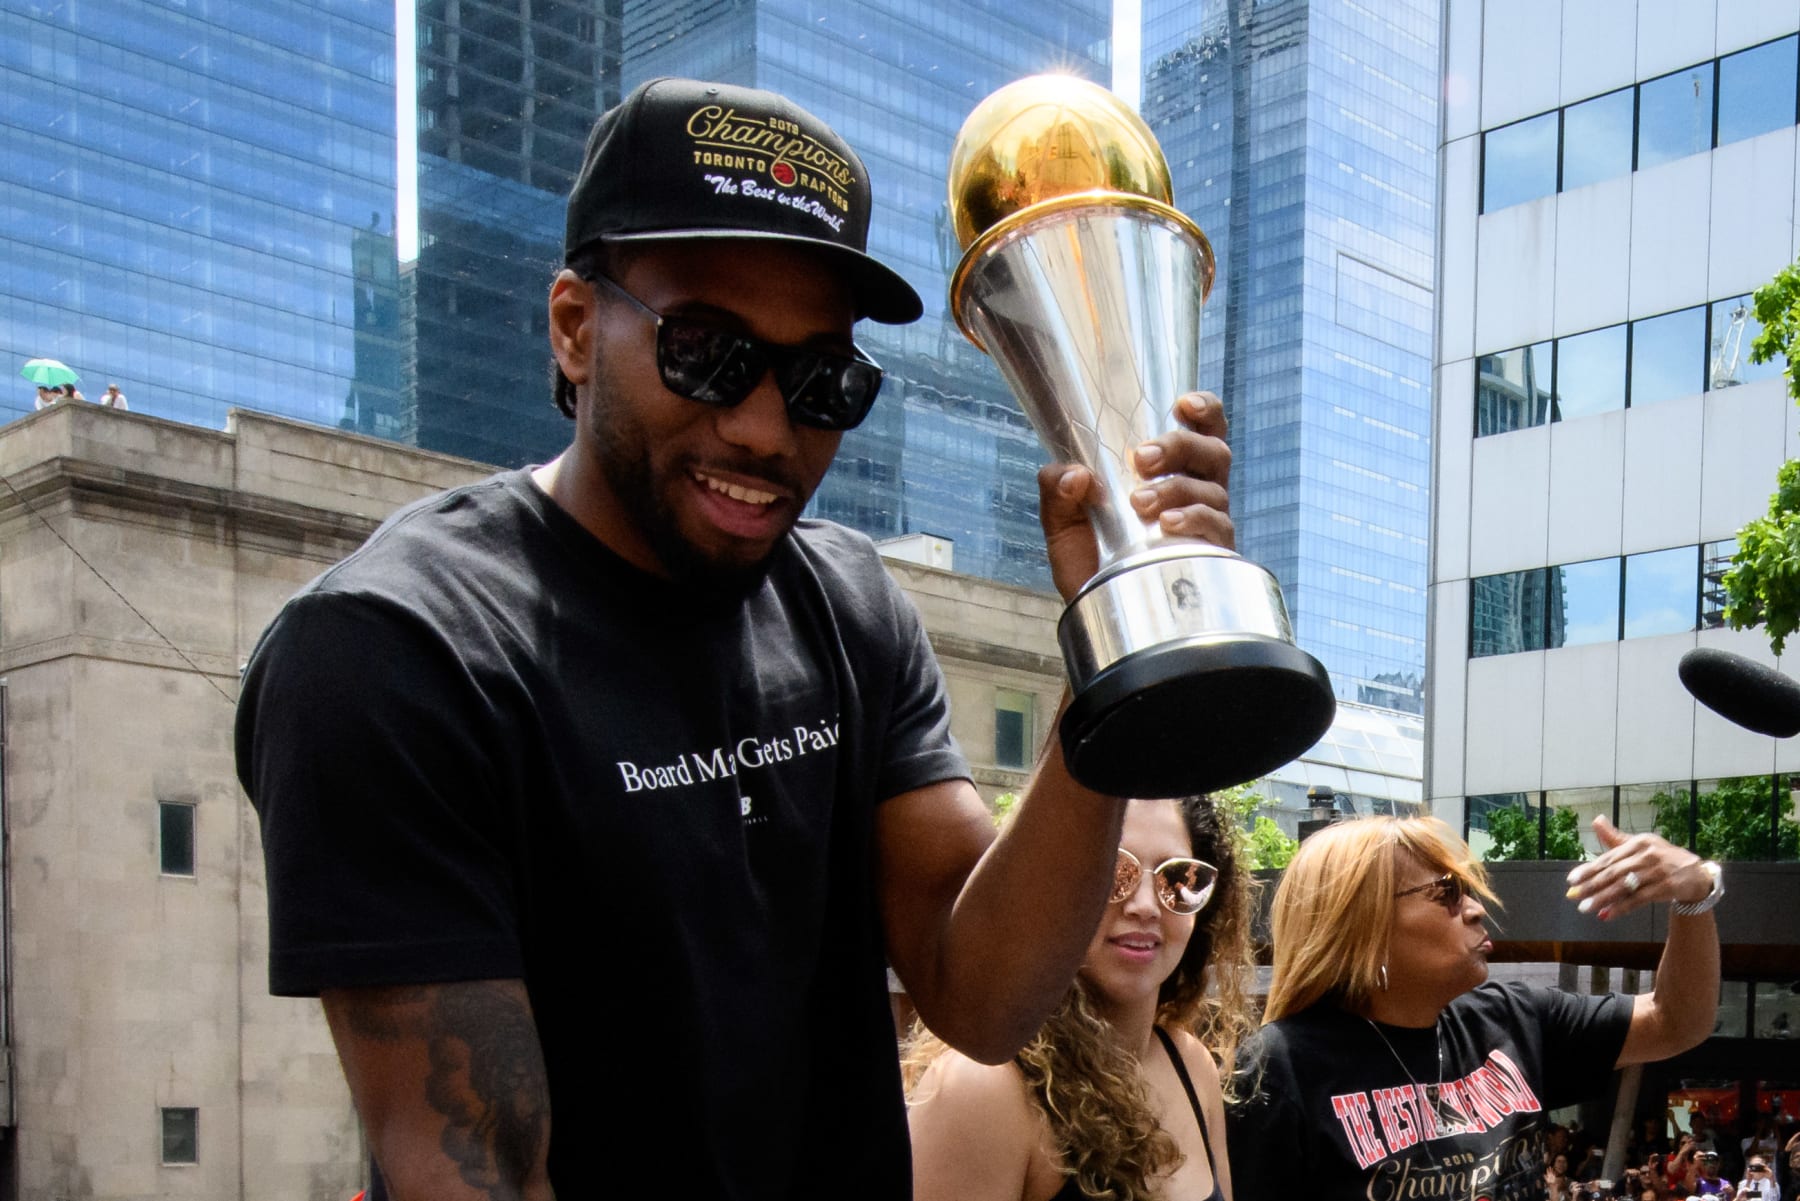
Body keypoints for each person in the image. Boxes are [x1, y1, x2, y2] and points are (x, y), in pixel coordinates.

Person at [234, 76, 1237, 1201]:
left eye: (822, 382)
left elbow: (984, 992)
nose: (765, 428)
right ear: (575, 325)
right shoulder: (396, 650)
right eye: (705, 353)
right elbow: (478, 1169)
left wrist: (1111, 637)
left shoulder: (851, 604)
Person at [1228, 814, 1723, 1201]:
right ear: (1362, 922)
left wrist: (1695, 893)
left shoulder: (1515, 1020)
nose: (1476, 908)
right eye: (1445, 892)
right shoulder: (1281, 1066)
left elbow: (1677, 1021)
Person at [905, 797, 1253, 1201]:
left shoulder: (1191, 1065)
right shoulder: (982, 1087)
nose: (1145, 906)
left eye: (1178, 879)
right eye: (1110, 871)